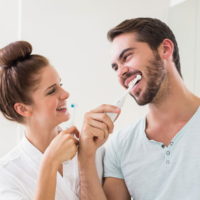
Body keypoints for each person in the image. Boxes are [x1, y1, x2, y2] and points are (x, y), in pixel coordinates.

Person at [78, 17, 200, 200]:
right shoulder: (120, 146)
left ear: (165, 49)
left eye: (127, 57)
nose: (121, 72)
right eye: (115, 67)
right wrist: (86, 156)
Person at [0, 41, 120, 200]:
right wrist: (50, 163)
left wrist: (86, 159)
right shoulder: (7, 175)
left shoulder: (94, 150)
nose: (65, 94)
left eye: (60, 84)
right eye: (51, 91)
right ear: (23, 109)